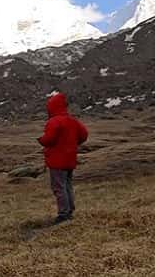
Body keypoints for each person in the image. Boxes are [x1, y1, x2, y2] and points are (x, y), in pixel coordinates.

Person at [37, 92, 88, 224]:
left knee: (59, 187)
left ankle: (63, 214)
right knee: (67, 185)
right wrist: (72, 143)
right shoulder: (72, 121)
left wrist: (41, 140)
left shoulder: (54, 121)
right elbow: (84, 135)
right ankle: (69, 210)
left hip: (57, 161)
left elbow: (49, 139)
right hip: (70, 159)